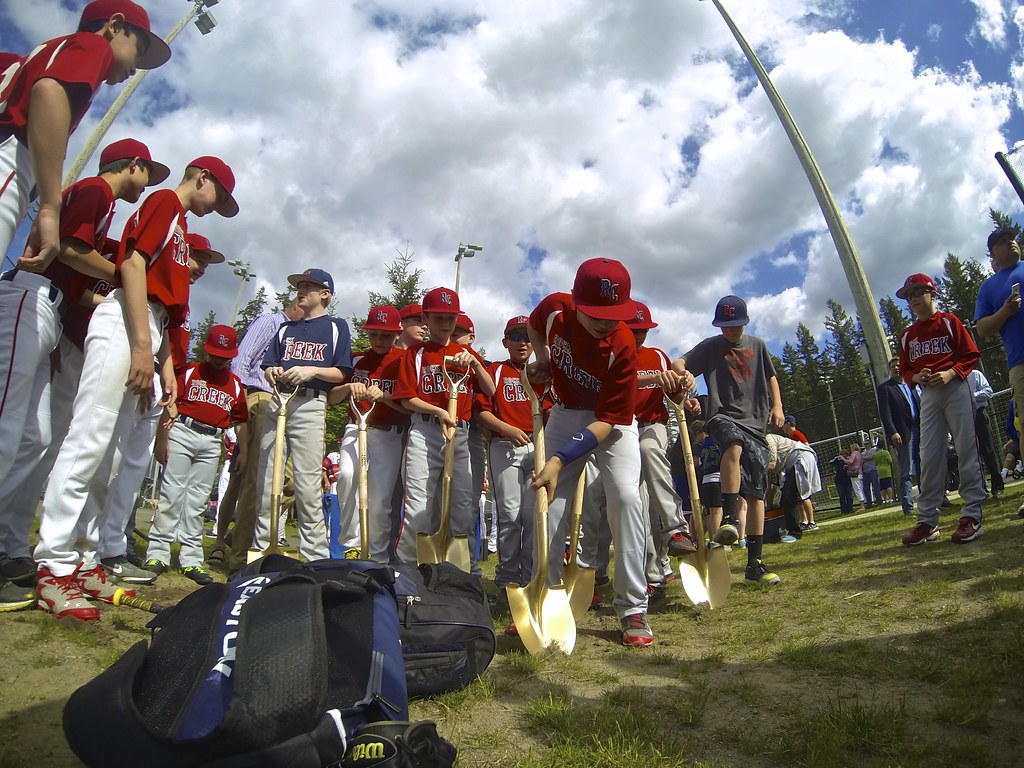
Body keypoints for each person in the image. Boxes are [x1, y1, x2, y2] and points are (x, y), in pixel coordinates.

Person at [33, 155, 238, 621]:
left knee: (109, 456)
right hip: (127, 317)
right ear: (201, 177)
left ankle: (83, 559)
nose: (216, 206)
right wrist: (144, 348)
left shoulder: (181, 223)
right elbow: (131, 263)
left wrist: (165, 362)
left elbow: (167, 301)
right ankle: (53, 563)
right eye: (218, 195)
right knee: (90, 438)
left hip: (150, 324)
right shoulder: (164, 200)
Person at [0, 138, 167, 585]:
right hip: (29, 296)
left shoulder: (105, 205)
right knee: (12, 424)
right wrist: (125, 278)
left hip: (52, 312)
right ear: (132, 165)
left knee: (37, 439)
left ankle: (11, 545)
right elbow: (71, 249)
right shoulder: (95, 190)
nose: (148, 183)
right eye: (148, 172)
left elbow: (75, 276)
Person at [528, 258, 654, 646]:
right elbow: (534, 326)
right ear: (576, 301)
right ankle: (543, 596)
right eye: (596, 313)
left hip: (612, 424)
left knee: (626, 498)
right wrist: (544, 359)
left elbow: (607, 422)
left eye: (612, 313)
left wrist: (558, 458)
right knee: (549, 499)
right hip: (565, 411)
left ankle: (633, 607)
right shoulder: (554, 310)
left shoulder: (623, 344)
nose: (605, 321)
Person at [0, 0, 170, 271]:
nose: (135, 67)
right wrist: (49, 205)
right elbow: (49, 91)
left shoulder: (32, 57)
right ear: (114, 25)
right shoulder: (96, 45)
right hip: (9, 162)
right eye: (137, 52)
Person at [671, 294, 785, 586]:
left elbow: (771, 376)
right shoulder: (711, 347)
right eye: (725, 326)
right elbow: (679, 361)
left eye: (735, 325)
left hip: (756, 423)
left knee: (757, 494)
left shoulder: (757, 345)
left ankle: (755, 564)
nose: (730, 331)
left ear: (745, 322)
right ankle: (731, 518)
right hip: (722, 416)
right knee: (733, 445)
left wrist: (777, 406)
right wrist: (684, 376)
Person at [393, 287, 495, 575]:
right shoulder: (416, 353)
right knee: (418, 508)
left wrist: (475, 362)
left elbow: (490, 390)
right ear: (426, 318)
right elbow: (405, 397)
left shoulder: (465, 353)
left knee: (462, 507)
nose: (446, 324)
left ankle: (463, 576)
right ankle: (408, 574)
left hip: (460, 434)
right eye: (439, 318)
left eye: (451, 318)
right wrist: (437, 411)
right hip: (426, 432)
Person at [256, 269, 353, 562]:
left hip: (311, 403)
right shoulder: (286, 329)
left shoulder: (336, 327)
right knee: (267, 479)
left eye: (309, 286)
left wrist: (312, 370)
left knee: (308, 482)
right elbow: (268, 364)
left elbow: (342, 372)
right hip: (279, 401)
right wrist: (271, 370)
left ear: (325, 294)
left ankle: (314, 557)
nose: (302, 290)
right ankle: (263, 550)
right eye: (300, 286)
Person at [143, 326, 249, 584]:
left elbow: (241, 421)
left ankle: (191, 558)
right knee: (171, 493)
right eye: (215, 353)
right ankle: (158, 553)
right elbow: (169, 404)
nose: (219, 359)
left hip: (213, 441)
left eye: (224, 355)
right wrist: (161, 440)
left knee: (198, 500)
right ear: (206, 349)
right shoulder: (190, 371)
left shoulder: (234, 384)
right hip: (183, 431)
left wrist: (244, 450)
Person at [897, 273, 986, 546]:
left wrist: (951, 372)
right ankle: (927, 520)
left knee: (966, 448)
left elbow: (971, 354)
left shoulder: (949, 321)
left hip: (956, 387)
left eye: (917, 293)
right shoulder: (907, 336)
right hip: (929, 396)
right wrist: (916, 378)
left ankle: (971, 514)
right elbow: (904, 369)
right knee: (929, 456)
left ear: (932, 294)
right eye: (908, 295)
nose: (912, 299)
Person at [217, 298, 303, 572]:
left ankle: (237, 536)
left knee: (290, 482)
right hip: (260, 398)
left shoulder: (301, 336)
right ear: (297, 304)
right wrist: (241, 407)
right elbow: (241, 363)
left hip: (286, 403)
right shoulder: (271, 322)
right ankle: (237, 559)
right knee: (252, 480)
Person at [328, 305, 406, 563]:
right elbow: (332, 398)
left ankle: (377, 553)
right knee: (347, 476)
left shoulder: (403, 361)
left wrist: (383, 396)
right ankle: (350, 544)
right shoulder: (357, 360)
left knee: (381, 496)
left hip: (389, 434)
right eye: (375, 334)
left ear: (397, 334)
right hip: (356, 427)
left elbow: (407, 407)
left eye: (386, 335)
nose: (380, 340)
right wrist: (349, 387)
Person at [628, 301, 697, 572]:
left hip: (652, 425)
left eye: (643, 330)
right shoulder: (611, 356)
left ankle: (676, 530)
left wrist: (686, 391)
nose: (639, 335)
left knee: (648, 450)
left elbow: (674, 394)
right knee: (640, 504)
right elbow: (620, 384)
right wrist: (656, 378)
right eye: (633, 330)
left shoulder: (656, 355)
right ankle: (655, 573)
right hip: (621, 430)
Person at [475, 315, 538, 592]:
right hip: (505, 445)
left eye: (527, 336)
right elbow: (481, 412)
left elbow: (551, 414)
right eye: (515, 336)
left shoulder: (542, 373)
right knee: (510, 515)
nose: (522, 342)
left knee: (533, 515)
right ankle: (507, 579)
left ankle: (530, 577)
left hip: (538, 446)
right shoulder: (497, 370)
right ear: (505, 342)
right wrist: (507, 429)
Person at [974, 226, 1024, 513]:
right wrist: (1006, 311)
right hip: (1021, 362)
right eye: (1005, 242)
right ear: (993, 254)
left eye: (1013, 239)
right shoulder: (990, 287)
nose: (1013, 243)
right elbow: (982, 330)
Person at [876, 356, 920, 516]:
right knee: (906, 470)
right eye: (893, 366)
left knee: (925, 466)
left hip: (920, 428)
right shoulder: (886, 388)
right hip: (903, 433)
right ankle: (908, 507)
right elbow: (885, 413)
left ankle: (932, 500)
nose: (896, 368)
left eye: (899, 365)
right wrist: (893, 431)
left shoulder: (911, 385)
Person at [766, 432, 821, 539]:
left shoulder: (768, 438)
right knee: (787, 498)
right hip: (793, 462)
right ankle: (797, 527)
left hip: (800, 457)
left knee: (788, 497)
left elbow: (772, 464)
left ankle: (795, 532)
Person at [967, 368, 1004, 498]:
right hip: (963, 418)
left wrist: (972, 396)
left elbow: (988, 392)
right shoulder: (953, 380)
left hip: (979, 414)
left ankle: (997, 486)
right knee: (972, 455)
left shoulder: (975, 374)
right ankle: (981, 489)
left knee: (988, 451)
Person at [842, 442, 866, 511]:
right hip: (860, 472)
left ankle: (862, 506)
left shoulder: (854, 453)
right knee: (861, 488)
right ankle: (864, 503)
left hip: (854, 473)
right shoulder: (860, 454)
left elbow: (850, 461)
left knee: (857, 489)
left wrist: (843, 459)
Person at [830, 450, 854, 515]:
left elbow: (852, 463)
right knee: (842, 495)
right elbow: (830, 462)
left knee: (849, 495)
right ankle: (843, 510)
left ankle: (850, 509)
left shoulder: (848, 460)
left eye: (844, 454)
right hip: (839, 480)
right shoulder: (837, 460)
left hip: (847, 480)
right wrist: (836, 458)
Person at [861, 443, 882, 507]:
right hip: (865, 472)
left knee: (876, 486)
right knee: (866, 488)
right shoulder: (862, 453)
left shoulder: (874, 450)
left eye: (867, 443)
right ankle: (869, 503)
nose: (866, 445)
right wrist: (865, 459)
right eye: (865, 444)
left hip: (873, 470)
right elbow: (861, 461)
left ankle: (879, 501)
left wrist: (865, 459)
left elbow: (872, 457)